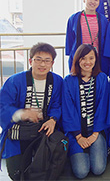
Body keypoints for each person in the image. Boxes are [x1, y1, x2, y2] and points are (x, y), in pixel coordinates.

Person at [0, 43, 62, 180]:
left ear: (52, 63)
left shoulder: (56, 81)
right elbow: (2, 106)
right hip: (18, 132)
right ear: (30, 61)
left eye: (47, 60)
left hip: (43, 130)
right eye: (38, 59)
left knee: (44, 170)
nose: (42, 64)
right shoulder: (15, 81)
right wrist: (21, 113)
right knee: (16, 173)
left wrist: (53, 119)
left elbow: (58, 104)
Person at [62, 44, 108, 179]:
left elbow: (103, 107)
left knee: (98, 169)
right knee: (81, 172)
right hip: (76, 133)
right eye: (83, 58)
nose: (87, 62)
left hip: (96, 130)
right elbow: (68, 110)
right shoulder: (68, 81)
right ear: (77, 60)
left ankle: (95, 148)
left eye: (91, 58)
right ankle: (80, 151)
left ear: (96, 60)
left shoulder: (102, 78)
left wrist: (95, 134)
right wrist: (78, 136)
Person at [66, 0, 110, 74]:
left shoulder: (103, 19)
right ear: (84, 0)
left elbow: (106, 39)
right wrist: (71, 55)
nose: (93, 2)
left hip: (97, 57)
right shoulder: (74, 18)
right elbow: (70, 39)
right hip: (80, 56)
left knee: (97, 80)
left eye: (96, 0)